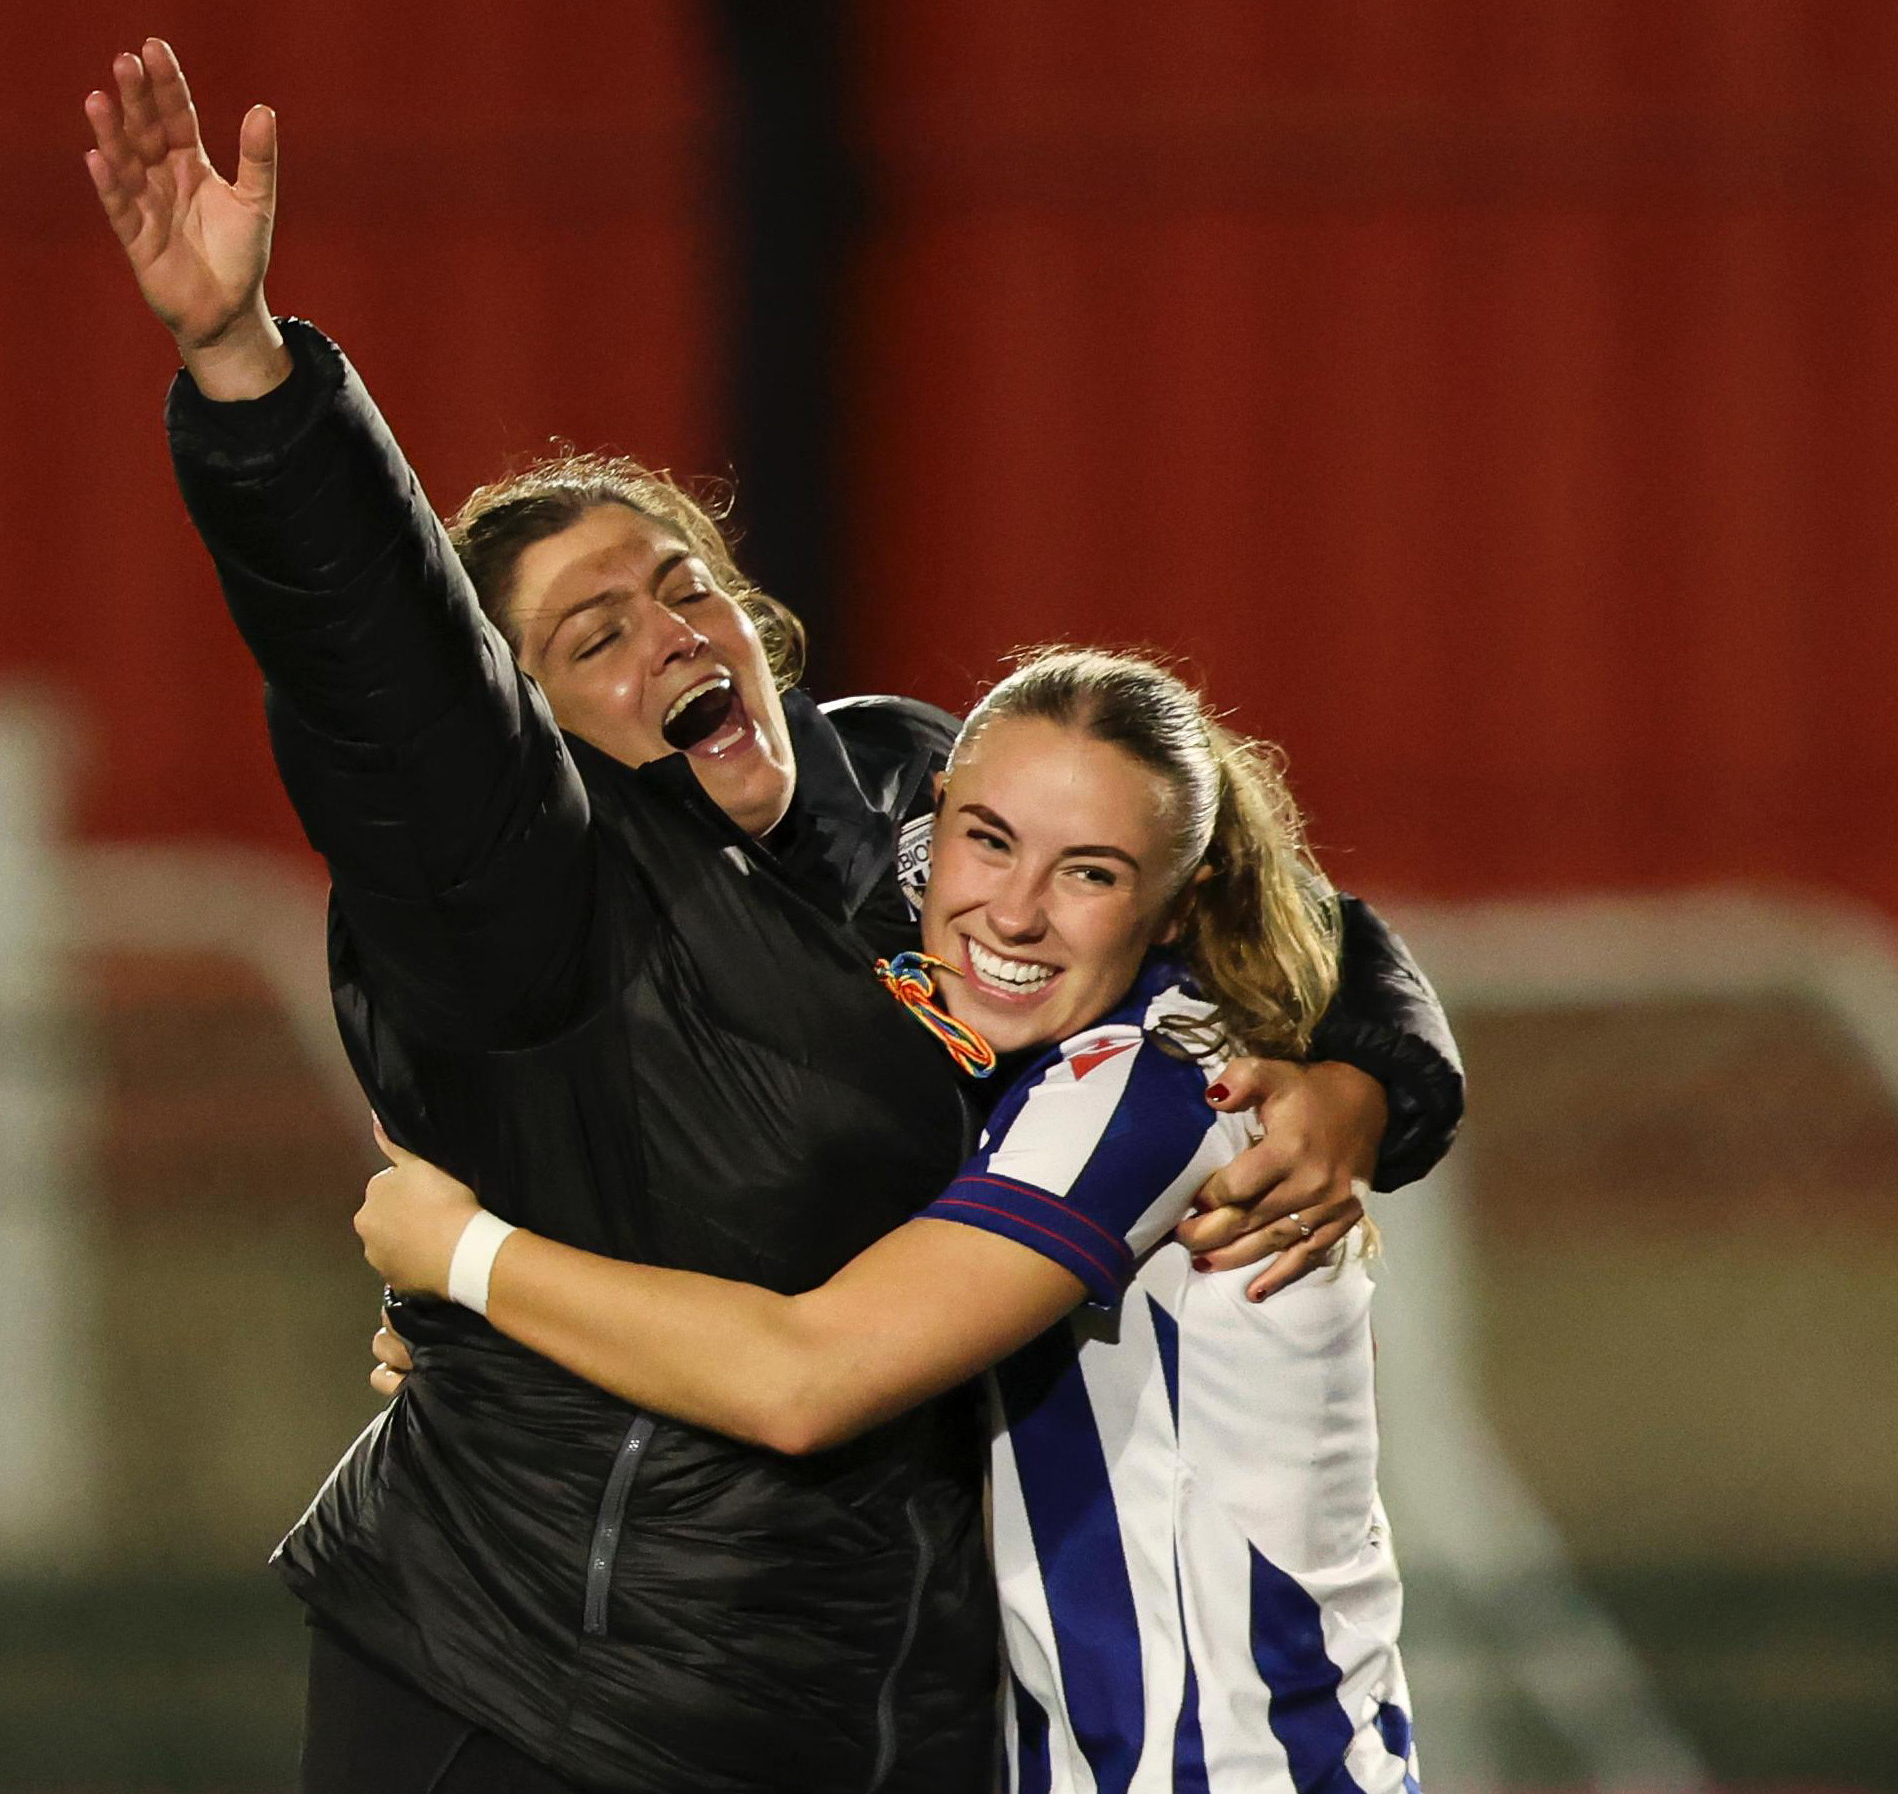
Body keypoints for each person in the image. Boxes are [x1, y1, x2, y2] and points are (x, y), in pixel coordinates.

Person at [84, 38, 1461, 1794]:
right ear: (523, 737)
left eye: (685, 586)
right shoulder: (529, 903)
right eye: (592, 637)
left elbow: (1224, 877)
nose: (669, 634)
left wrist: (1363, 1085)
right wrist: (245, 372)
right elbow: (382, 664)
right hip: (548, 1682)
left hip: (877, 1704)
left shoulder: (902, 799)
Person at [358, 649, 1424, 1793]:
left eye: (1092, 874)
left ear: (1180, 906)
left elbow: (804, 1379)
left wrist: (466, 1256)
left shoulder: (1153, 1089)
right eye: (989, 840)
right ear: (929, 831)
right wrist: (505, 1357)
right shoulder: (1014, 1061)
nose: (1013, 912)